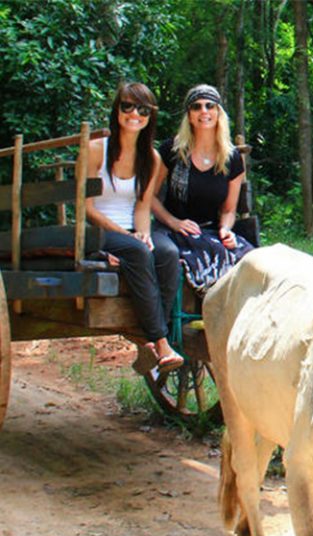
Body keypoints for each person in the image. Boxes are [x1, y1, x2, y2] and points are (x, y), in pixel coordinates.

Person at [86, 82, 183, 373]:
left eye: (142, 109)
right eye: (127, 106)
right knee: (138, 251)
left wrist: (142, 232)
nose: (134, 114)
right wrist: (126, 235)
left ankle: (149, 339)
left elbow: (142, 207)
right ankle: (160, 342)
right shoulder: (95, 150)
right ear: (117, 110)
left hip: (130, 230)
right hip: (98, 230)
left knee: (166, 252)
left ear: (150, 116)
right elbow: (87, 208)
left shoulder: (151, 158)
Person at [152, 84, 254, 293]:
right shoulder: (172, 150)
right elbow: (149, 197)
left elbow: (228, 210)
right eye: (196, 107)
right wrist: (174, 222)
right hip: (174, 231)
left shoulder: (232, 158)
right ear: (189, 115)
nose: (204, 111)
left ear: (219, 113)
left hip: (211, 230)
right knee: (207, 256)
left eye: (210, 106)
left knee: (251, 260)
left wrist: (226, 230)